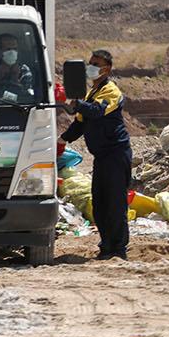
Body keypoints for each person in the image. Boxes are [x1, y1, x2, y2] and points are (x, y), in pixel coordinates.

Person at [61, 49, 132, 260]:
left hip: (116, 155)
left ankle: (118, 249)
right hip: (102, 157)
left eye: (95, 64)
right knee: (100, 203)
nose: (90, 67)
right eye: (90, 63)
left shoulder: (111, 91)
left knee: (115, 203)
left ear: (106, 68)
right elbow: (81, 123)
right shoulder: (92, 93)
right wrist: (61, 140)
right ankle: (106, 246)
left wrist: (76, 103)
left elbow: (96, 112)